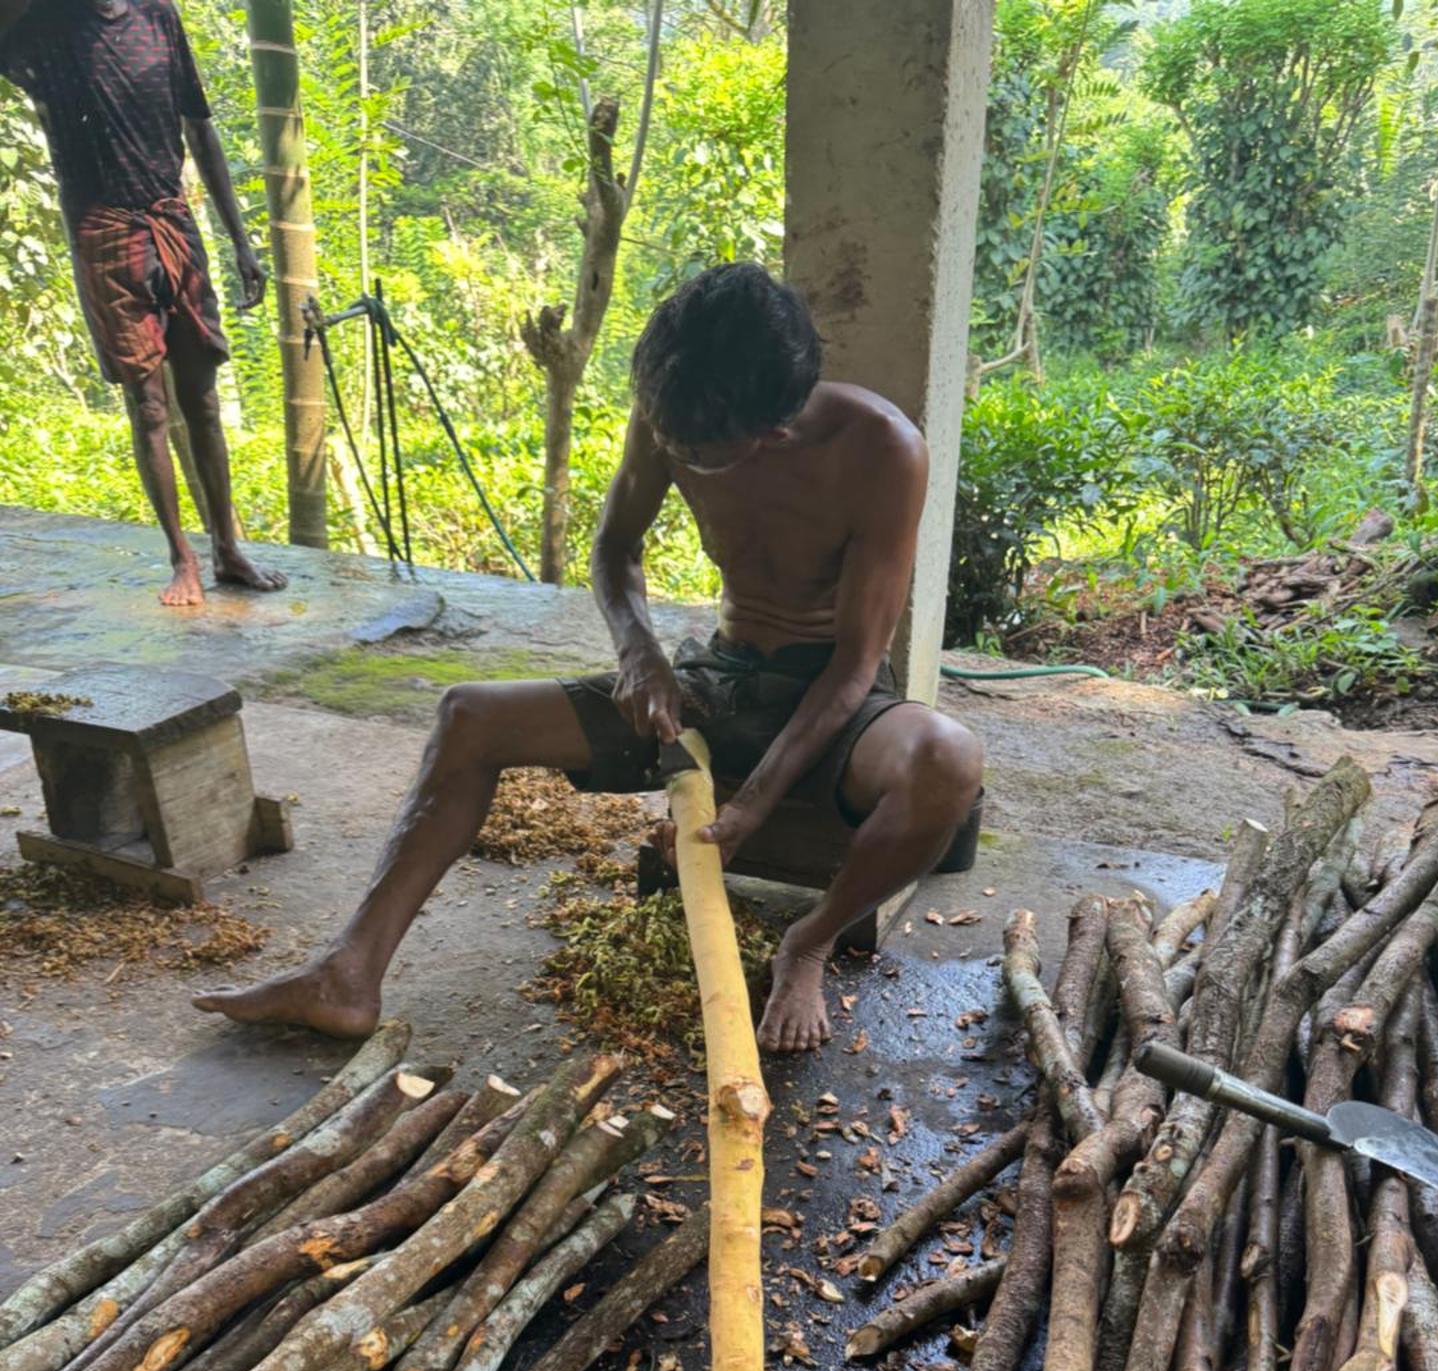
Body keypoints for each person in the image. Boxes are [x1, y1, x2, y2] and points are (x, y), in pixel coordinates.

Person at [194, 262, 984, 1053]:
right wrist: (639, 655)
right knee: (467, 715)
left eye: (696, 451)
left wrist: (752, 806)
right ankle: (348, 972)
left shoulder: (883, 450)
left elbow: (853, 667)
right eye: (665, 434)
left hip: (831, 702)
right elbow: (614, 548)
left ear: (771, 433)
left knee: (947, 760)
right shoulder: (672, 408)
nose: (670, 450)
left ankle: (808, 943)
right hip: (716, 680)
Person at [0, 0, 286, 608]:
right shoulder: (47, 26)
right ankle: (181, 558)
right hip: (104, 231)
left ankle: (227, 550)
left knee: (203, 399)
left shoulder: (158, 17)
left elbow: (199, 129)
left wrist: (240, 240)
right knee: (149, 405)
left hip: (173, 220)